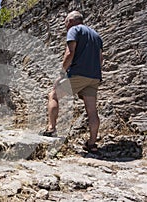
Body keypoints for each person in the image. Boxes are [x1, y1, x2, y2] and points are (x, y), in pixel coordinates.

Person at [42, 11, 103, 153]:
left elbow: (70, 53)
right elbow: (100, 59)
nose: (65, 25)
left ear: (70, 21)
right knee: (92, 110)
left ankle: (51, 129)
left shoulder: (74, 30)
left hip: (78, 74)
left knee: (53, 95)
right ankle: (92, 144)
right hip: (94, 76)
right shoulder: (96, 35)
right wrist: (94, 73)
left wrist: (62, 73)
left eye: (65, 22)